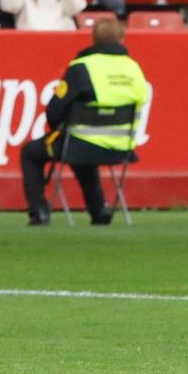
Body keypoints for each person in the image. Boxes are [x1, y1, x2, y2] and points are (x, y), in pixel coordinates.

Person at [19, 16, 151, 225]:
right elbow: (142, 99)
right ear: (123, 40)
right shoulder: (133, 68)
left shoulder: (82, 67)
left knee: (32, 152)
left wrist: (58, 127)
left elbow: (54, 110)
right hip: (122, 147)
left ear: (93, 40)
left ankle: (39, 212)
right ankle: (98, 210)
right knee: (80, 146)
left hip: (81, 144)